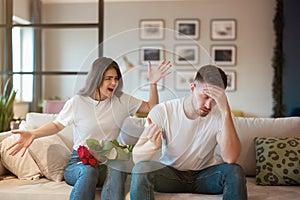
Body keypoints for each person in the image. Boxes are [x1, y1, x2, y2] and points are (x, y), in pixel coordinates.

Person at [7, 57, 172, 200]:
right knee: (89, 172)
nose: (114, 83)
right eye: (108, 78)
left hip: (109, 162)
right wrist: (33, 134)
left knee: (118, 167)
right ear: (96, 78)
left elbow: (152, 108)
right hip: (79, 163)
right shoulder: (78, 102)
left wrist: (153, 84)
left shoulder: (122, 100)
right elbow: (57, 124)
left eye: (116, 78)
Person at [130, 65, 248, 200]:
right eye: (205, 97)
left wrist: (225, 111)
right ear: (192, 88)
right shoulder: (163, 111)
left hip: (205, 176)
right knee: (141, 170)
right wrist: (151, 146)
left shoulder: (223, 114)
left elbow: (230, 158)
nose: (208, 105)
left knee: (235, 171)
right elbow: (137, 159)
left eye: (215, 100)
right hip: (170, 176)